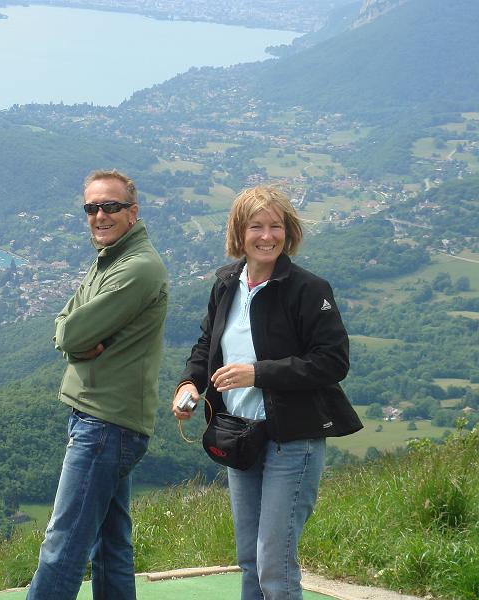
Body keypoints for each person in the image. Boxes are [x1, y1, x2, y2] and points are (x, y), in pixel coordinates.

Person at [172, 186, 362, 600]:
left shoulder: (308, 289)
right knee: (249, 559)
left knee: (274, 563)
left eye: (276, 226)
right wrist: (189, 383)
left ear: (288, 232)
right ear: (239, 233)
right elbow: (207, 344)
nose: (267, 236)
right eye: (256, 226)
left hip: (291, 439)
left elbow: (332, 362)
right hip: (240, 435)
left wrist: (258, 374)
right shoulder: (226, 285)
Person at [27, 170, 168, 600]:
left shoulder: (136, 268)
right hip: (105, 419)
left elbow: (71, 332)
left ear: (133, 212)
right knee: (111, 545)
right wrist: (71, 339)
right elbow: (66, 325)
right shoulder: (111, 257)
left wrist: (71, 338)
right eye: (92, 208)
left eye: (110, 206)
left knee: (63, 543)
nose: (100, 215)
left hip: (105, 423)